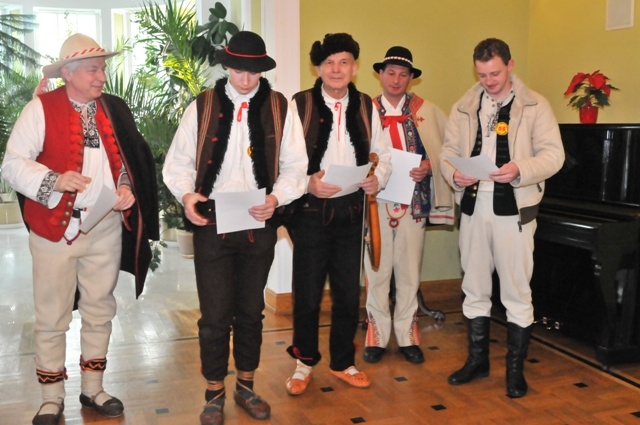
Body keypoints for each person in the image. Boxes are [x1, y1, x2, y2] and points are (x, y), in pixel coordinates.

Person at [1, 33, 159, 425]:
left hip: (104, 227)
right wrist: (54, 180)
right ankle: (51, 397)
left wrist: (126, 186)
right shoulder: (40, 109)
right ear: (68, 73)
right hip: (54, 231)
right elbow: (12, 164)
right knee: (52, 315)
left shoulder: (114, 109)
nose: (102, 76)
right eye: (93, 69)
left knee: (100, 309)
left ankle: (93, 389)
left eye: (102, 68)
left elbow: (128, 158)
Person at [162, 31, 308, 425]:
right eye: (239, 71)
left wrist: (277, 198)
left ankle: (246, 386)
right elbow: (177, 163)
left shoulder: (279, 107)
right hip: (212, 221)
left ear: (262, 70)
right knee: (214, 315)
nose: (246, 79)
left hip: (259, 220)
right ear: (227, 66)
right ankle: (213, 392)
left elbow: (297, 165)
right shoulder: (202, 105)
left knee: (250, 312)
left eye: (253, 72)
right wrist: (187, 195)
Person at [440, 38, 564, 398]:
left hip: (515, 212)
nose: (489, 81)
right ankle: (477, 361)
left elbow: (554, 155)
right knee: (474, 286)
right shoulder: (464, 106)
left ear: (510, 65)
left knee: (516, 290)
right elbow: (447, 152)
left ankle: (514, 371)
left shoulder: (535, 105)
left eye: (495, 73)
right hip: (473, 207)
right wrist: (454, 174)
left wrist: (520, 168)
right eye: (482, 74)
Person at [284, 32, 391, 396]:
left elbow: (383, 154)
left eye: (343, 62)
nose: (336, 69)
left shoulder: (366, 105)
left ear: (355, 68)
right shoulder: (299, 104)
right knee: (308, 294)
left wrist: (378, 179)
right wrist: (308, 183)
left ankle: (343, 361)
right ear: (318, 68)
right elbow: (284, 159)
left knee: (347, 293)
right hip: (310, 210)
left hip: (352, 211)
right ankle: (303, 363)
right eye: (329, 63)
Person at [363, 46, 454, 365]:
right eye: (390, 73)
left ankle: (407, 335)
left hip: (413, 202)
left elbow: (445, 151)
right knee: (376, 271)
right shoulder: (364, 109)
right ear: (380, 74)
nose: (396, 79)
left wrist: (429, 166)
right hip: (374, 203)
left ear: (411, 78)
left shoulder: (428, 111)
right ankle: (376, 334)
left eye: (403, 74)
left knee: (409, 271)